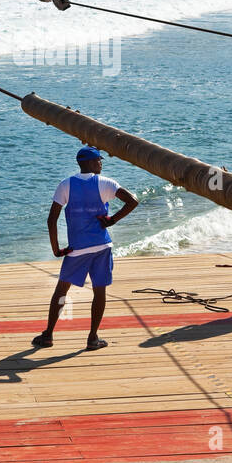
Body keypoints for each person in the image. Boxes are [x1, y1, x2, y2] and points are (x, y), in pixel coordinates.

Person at [33, 146, 137, 351]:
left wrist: (56, 249)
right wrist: (112, 220)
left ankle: (48, 335)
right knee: (99, 291)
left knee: (61, 291)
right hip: (101, 246)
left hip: (77, 250)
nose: (101, 163)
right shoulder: (106, 183)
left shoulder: (65, 185)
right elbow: (132, 201)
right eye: (99, 159)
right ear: (89, 162)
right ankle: (92, 338)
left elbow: (51, 219)